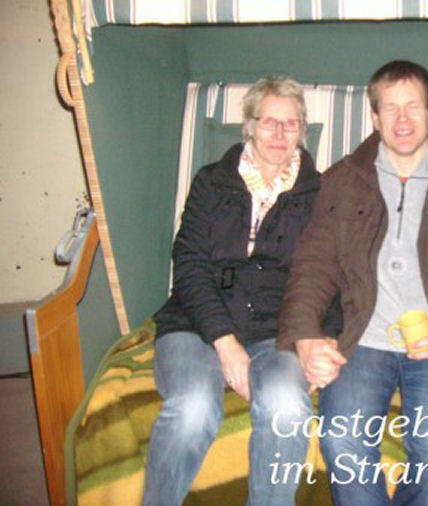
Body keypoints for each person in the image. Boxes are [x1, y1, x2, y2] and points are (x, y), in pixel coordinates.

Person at [278, 60, 428, 505]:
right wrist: (307, 336)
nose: (402, 119)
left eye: (413, 106)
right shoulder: (342, 180)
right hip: (362, 339)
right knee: (343, 439)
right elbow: (312, 266)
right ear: (374, 117)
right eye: (390, 108)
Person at [143, 76, 340, 506]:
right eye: (269, 121)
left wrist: (326, 339)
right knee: (193, 408)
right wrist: (225, 342)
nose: (279, 133)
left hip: (275, 331)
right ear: (249, 125)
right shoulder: (212, 182)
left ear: (303, 130)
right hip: (196, 325)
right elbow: (189, 263)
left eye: (290, 123)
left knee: (287, 408)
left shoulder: (320, 192)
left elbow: (328, 273)